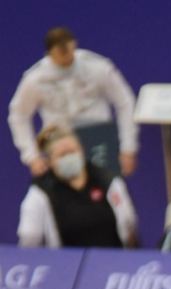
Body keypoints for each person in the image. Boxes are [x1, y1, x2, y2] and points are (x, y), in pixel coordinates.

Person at [8, 26, 138, 179]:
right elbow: (18, 116)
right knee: (63, 196)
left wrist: (128, 146)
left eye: (68, 50)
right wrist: (31, 156)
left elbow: (124, 102)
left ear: (74, 44)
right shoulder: (36, 79)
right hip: (59, 142)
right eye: (59, 53)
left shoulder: (97, 67)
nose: (65, 56)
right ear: (49, 53)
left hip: (98, 139)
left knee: (107, 191)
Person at [17, 125, 137, 248]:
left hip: (113, 261)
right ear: (49, 161)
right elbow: (29, 239)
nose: (69, 157)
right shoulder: (40, 193)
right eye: (62, 155)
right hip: (65, 264)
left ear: (82, 151)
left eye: (73, 151)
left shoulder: (108, 181)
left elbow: (129, 225)